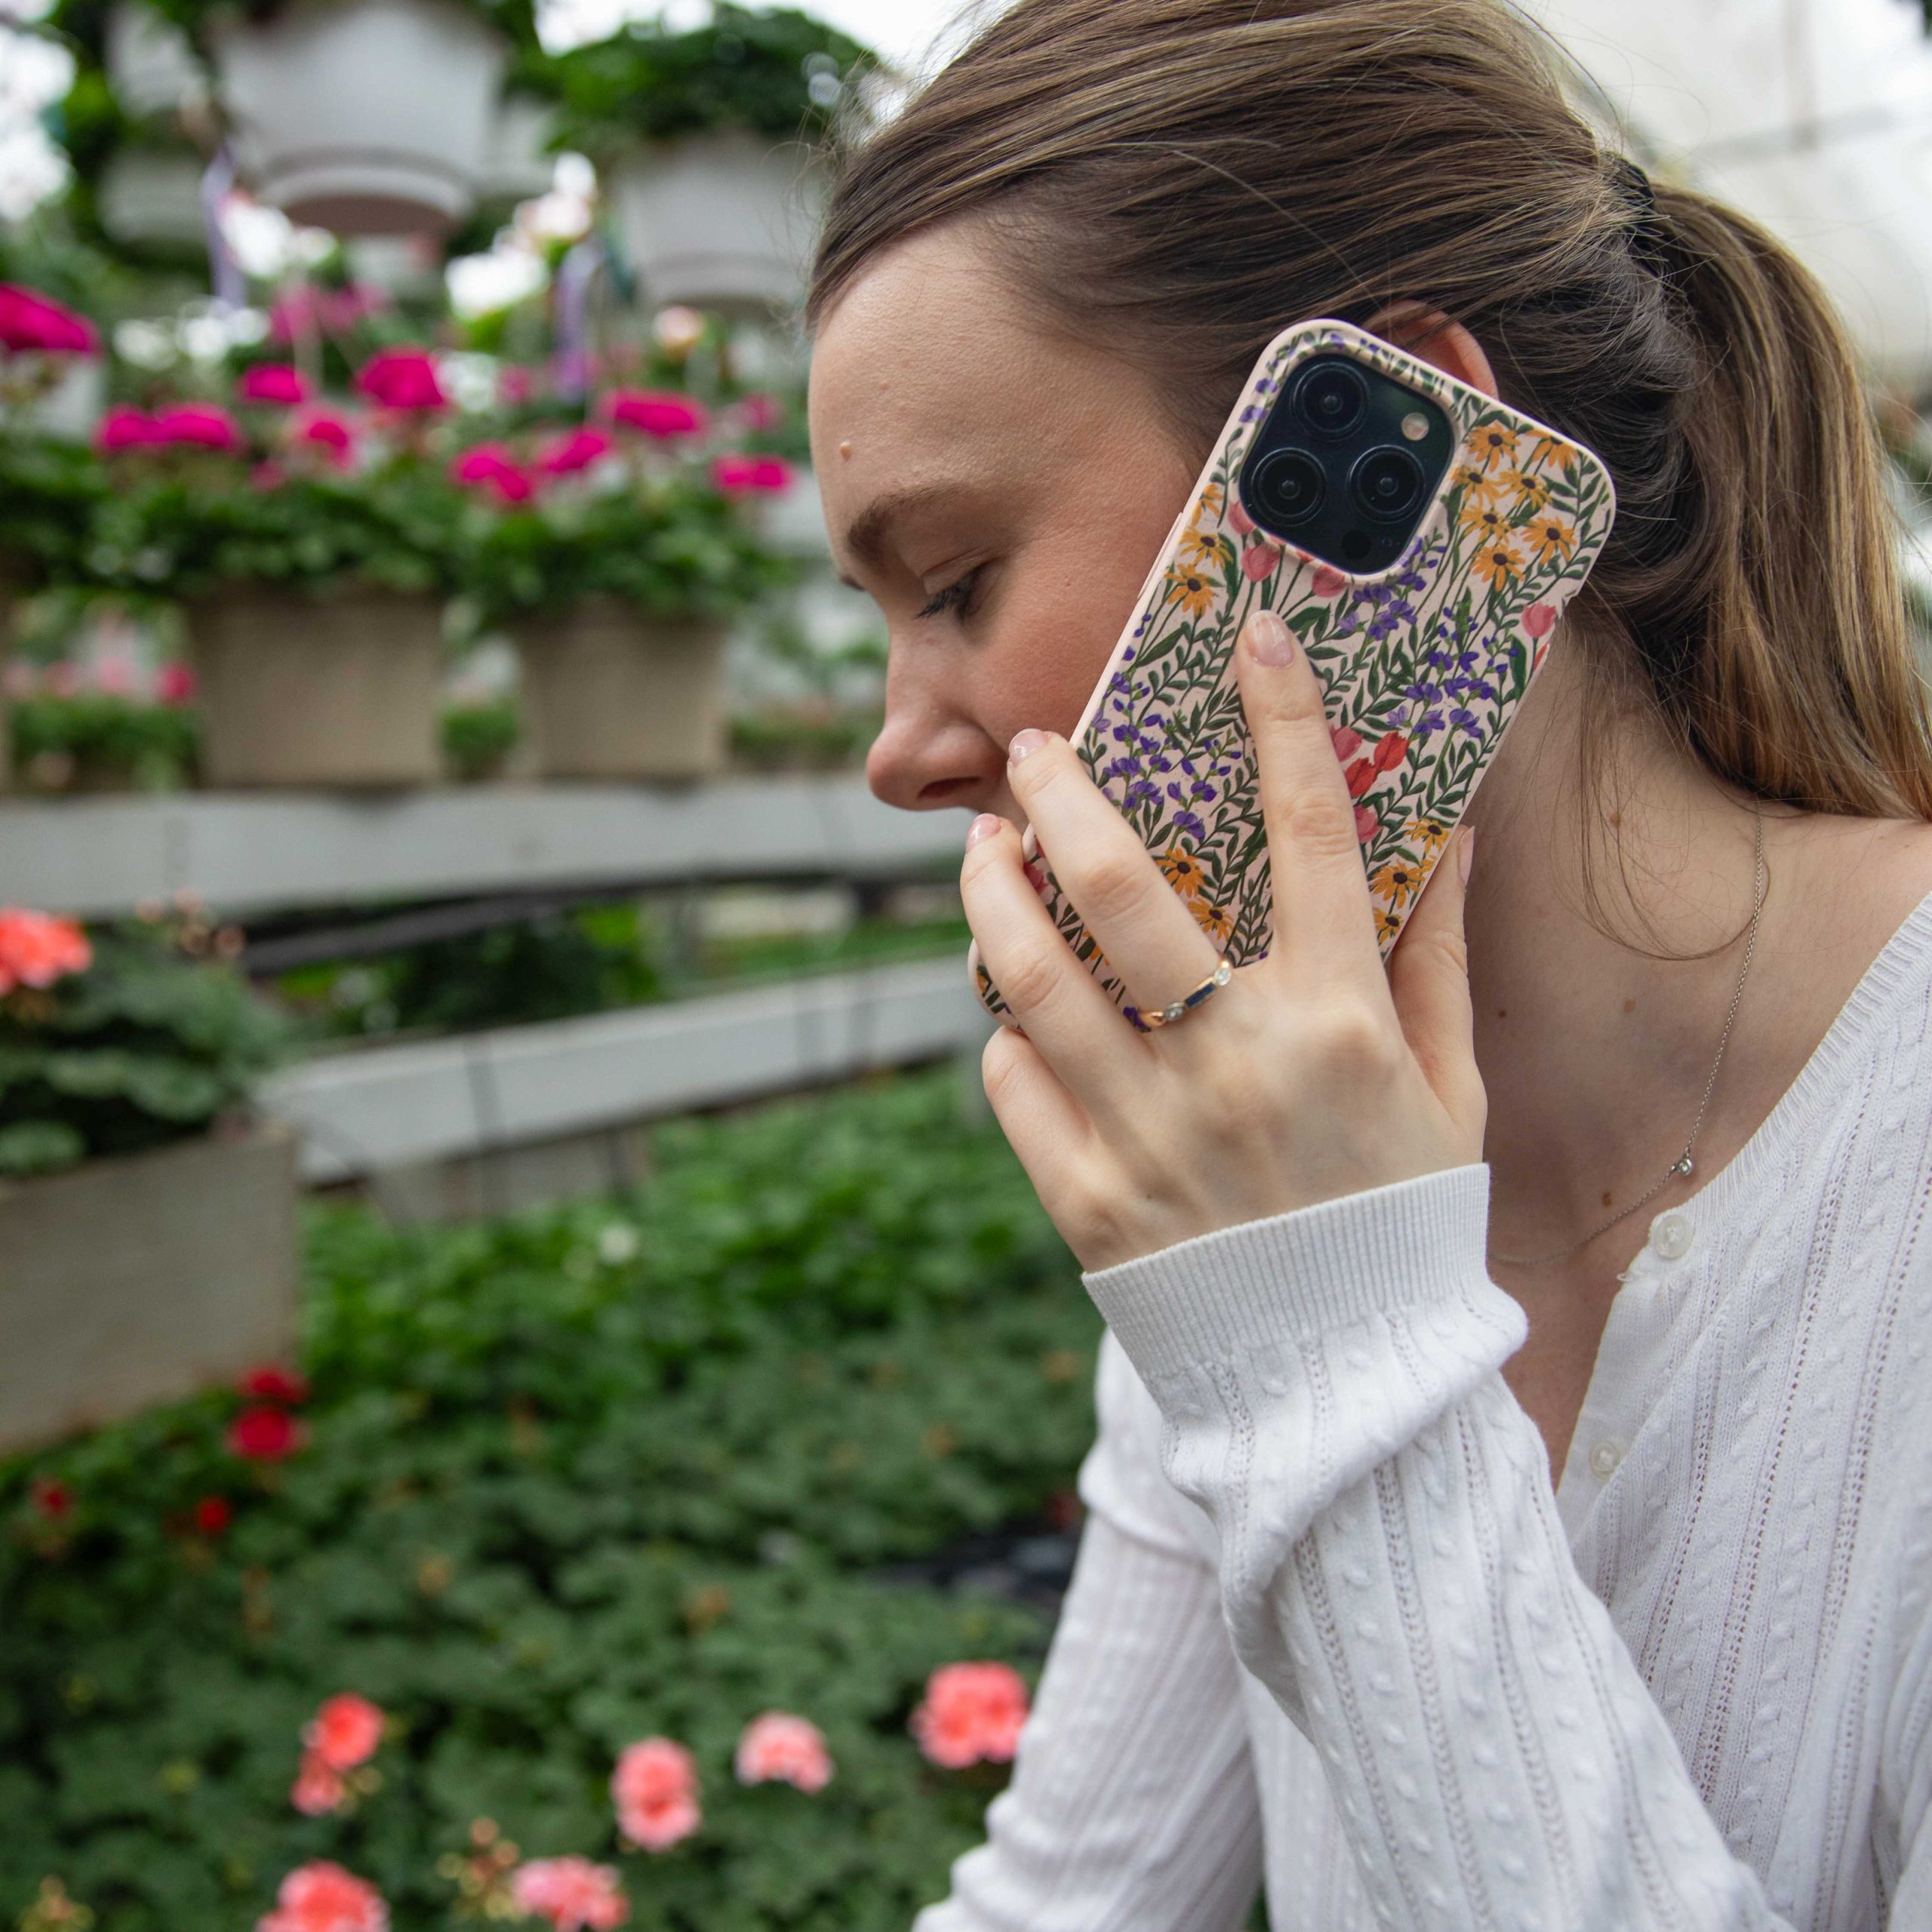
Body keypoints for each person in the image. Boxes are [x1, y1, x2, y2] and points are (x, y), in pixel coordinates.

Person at [806, 1, 1932, 1924]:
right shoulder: (1259, 1136)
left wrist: (1328, 1337)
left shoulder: (1267, 1205)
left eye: (957, 578)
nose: (899, 749)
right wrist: (1284, 1301)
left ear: (1398, 456)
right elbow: (1071, 1901)